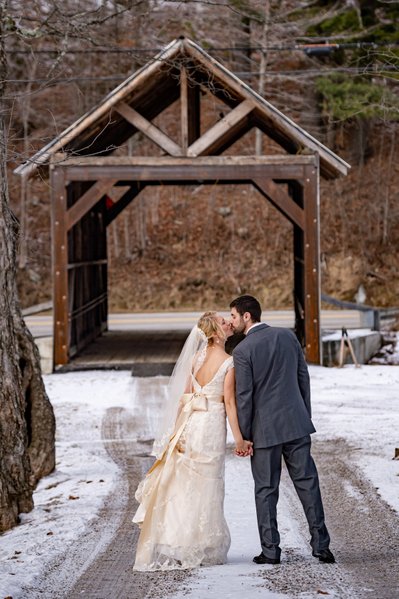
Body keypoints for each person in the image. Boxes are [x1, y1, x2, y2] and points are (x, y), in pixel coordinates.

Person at [132, 311, 253, 571]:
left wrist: (176, 432)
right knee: (208, 484)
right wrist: (240, 439)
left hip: (191, 424)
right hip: (210, 427)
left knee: (187, 483)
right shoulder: (229, 363)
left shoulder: (196, 358)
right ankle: (202, 543)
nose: (228, 323)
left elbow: (185, 397)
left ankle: (181, 540)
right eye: (223, 322)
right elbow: (230, 404)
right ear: (215, 333)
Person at [230, 295, 335, 565]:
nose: (232, 321)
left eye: (233, 315)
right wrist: (303, 416)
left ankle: (270, 551)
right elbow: (303, 377)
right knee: (308, 483)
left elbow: (245, 396)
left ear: (246, 316)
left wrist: (245, 436)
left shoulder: (242, 351)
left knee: (266, 490)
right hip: (296, 424)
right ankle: (322, 546)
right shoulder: (287, 337)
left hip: (264, 432)